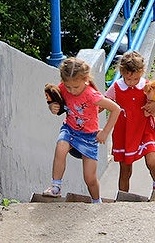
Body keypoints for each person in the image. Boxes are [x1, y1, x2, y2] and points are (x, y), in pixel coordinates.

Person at [43, 57, 120, 202]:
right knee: (60, 147)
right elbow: (57, 103)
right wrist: (52, 107)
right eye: (68, 87)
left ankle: (97, 201)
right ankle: (56, 186)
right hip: (70, 130)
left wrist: (105, 132)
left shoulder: (92, 95)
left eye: (76, 87)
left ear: (85, 79)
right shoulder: (63, 88)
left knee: (90, 178)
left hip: (89, 137)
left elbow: (116, 109)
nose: (71, 91)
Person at [105, 50, 155, 196]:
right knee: (125, 169)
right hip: (125, 132)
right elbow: (104, 102)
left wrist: (154, 106)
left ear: (141, 72)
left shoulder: (147, 86)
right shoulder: (116, 87)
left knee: (152, 161)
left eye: (135, 79)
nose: (132, 83)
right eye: (128, 80)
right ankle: (123, 195)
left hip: (145, 129)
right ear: (122, 71)